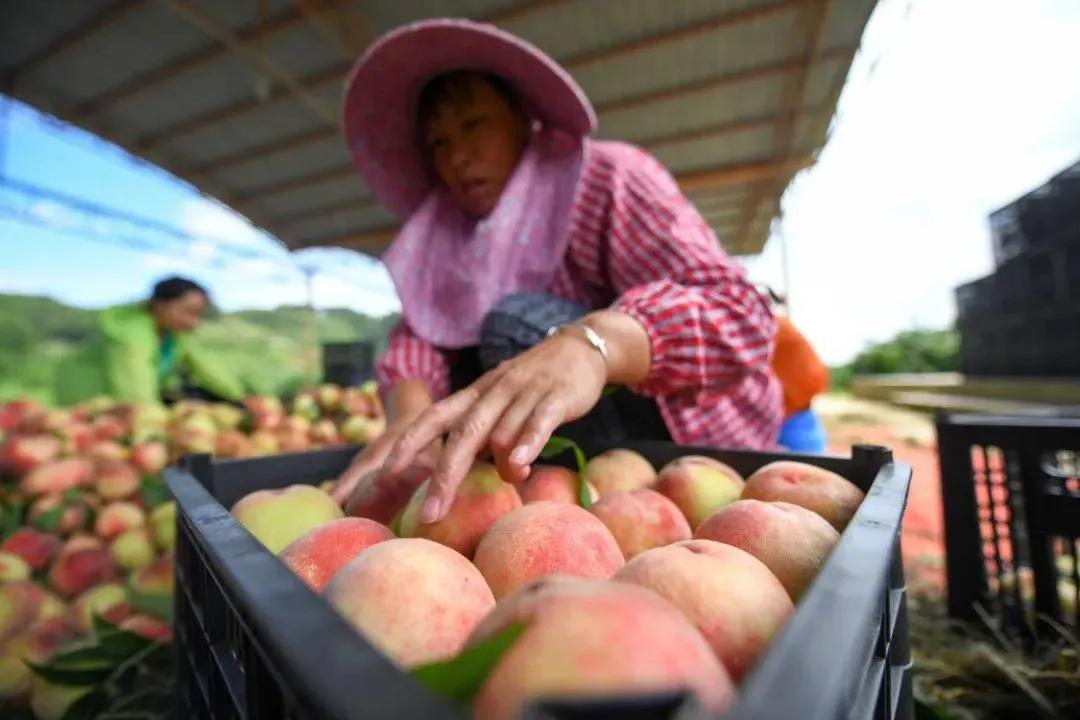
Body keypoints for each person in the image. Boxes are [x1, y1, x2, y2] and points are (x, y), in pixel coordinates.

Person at [331, 19, 783, 522]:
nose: (457, 155)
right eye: (438, 143)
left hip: (686, 439)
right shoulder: (449, 235)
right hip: (551, 477)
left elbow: (740, 315)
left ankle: (586, 482)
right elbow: (421, 336)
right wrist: (409, 420)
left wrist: (594, 345)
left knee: (511, 326)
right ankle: (540, 493)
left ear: (523, 119)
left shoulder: (605, 179)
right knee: (464, 368)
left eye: (473, 124)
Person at [54, 276, 246, 407]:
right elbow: (135, 395)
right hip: (84, 406)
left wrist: (242, 399)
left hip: (121, 409)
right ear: (161, 305)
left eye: (198, 315)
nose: (194, 323)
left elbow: (208, 368)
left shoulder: (175, 336)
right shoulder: (131, 335)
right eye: (189, 313)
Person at [763, 288, 830, 453]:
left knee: (805, 464)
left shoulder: (772, 326)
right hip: (796, 408)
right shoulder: (778, 325)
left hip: (793, 413)